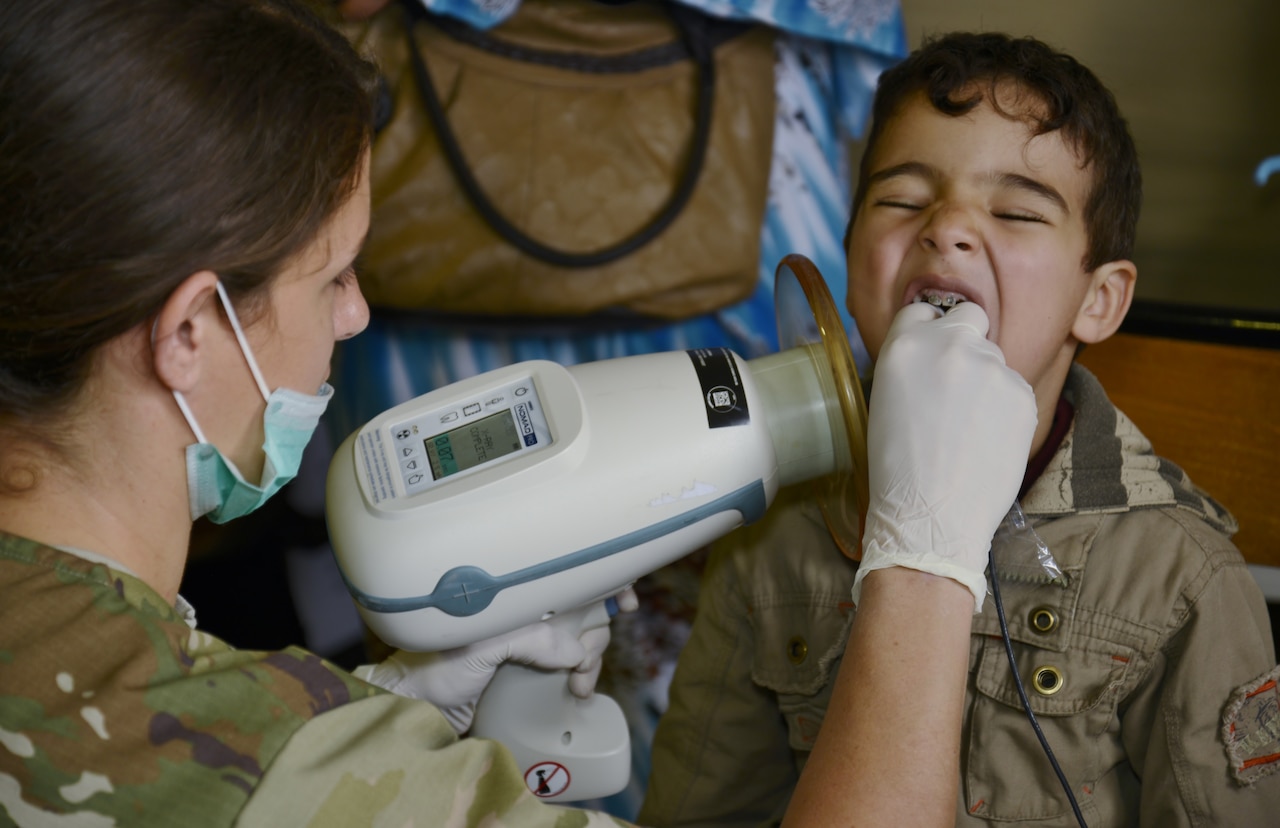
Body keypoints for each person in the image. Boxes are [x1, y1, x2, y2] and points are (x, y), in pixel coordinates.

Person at [0, 2, 1034, 826]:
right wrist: (925, 563)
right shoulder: (268, 768)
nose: (358, 317)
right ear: (189, 331)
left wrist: (372, 722)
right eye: (335, 279)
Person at [641, 31, 1280, 828]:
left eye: (1015, 210)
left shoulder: (1180, 580)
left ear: (1101, 300)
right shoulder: (776, 529)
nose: (947, 228)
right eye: (902, 200)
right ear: (848, 258)